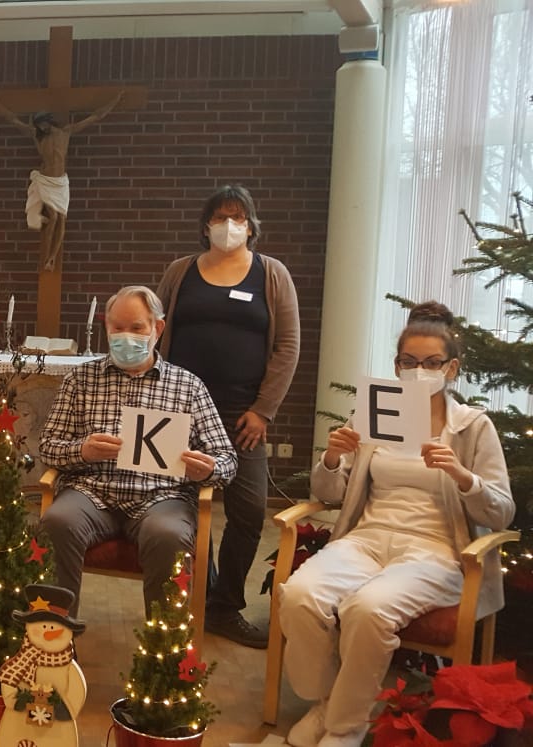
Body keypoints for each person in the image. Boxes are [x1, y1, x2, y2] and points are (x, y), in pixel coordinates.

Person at [279, 302, 513, 747]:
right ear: (396, 366)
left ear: (451, 369)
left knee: (368, 610)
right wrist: (332, 458)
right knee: (299, 595)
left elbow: (501, 511)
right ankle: (325, 702)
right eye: (409, 361)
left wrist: (462, 476)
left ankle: (345, 727)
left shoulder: (472, 427)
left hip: (435, 549)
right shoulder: (375, 412)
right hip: (367, 538)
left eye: (431, 363)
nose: (419, 371)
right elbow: (329, 494)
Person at [157, 184, 301, 649]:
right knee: (180, 506)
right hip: (179, 411)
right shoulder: (180, 272)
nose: (228, 225)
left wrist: (264, 410)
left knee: (249, 511)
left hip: (243, 417)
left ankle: (224, 605)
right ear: (205, 226)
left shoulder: (271, 274)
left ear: (251, 226)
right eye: (219, 217)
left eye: (237, 217)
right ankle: (196, 594)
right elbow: (156, 331)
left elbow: (288, 346)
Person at [38, 285, 237, 617]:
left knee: (169, 535)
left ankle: (165, 642)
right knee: (57, 522)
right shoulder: (80, 380)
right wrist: (83, 451)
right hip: (91, 492)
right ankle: (53, 634)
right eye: (117, 327)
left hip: (161, 497)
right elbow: (48, 447)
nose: (125, 336)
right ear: (106, 326)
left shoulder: (188, 387)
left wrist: (208, 469)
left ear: (157, 328)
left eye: (136, 327)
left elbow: (227, 460)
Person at [0, 91, 124, 271]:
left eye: (42, 123)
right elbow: (13, 120)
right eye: (38, 125)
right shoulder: (36, 135)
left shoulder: (65, 132)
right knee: (52, 217)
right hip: (45, 179)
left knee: (61, 218)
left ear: (48, 121)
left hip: (60, 182)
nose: (41, 127)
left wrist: (115, 100)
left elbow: (95, 117)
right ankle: (46, 257)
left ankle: (52, 258)